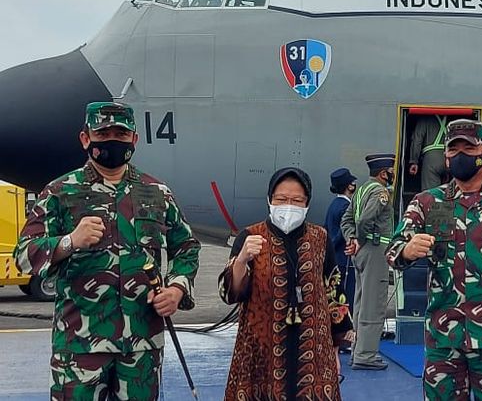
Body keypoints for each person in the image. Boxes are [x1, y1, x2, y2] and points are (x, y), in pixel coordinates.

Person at [14, 102, 201, 400]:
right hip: (80, 347)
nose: (112, 139)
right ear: (86, 139)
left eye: (121, 133)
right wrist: (70, 241)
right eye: (103, 133)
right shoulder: (60, 193)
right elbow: (24, 256)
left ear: (134, 140)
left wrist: (177, 289)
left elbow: (187, 247)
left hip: (141, 348)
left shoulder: (156, 192)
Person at [386, 119, 482, 401]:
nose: (460, 155)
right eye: (453, 149)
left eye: (469, 148)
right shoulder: (425, 203)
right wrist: (407, 250)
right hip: (444, 341)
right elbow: (394, 250)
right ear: (446, 157)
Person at [219, 167, 353, 400]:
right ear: (269, 200)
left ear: (307, 203)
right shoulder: (250, 236)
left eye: (296, 200)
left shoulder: (320, 238)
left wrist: (335, 350)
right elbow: (231, 293)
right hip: (260, 355)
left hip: (314, 353)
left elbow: (334, 292)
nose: (288, 205)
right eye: (281, 199)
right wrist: (242, 259)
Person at [341, 153, 395, 370]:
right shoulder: (381, 193)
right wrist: (361, 240)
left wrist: (351, 239)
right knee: (374, 303)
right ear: (384, 173)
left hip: (361, 253)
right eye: (390, 171)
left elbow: (346, 219)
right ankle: (366, 355)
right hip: (375, 251)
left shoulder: (361, 190)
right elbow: (365, 220)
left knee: (361, 302)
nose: (392, 175)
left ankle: (357, 351)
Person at [324, 167, 358, 350]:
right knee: (347, 298)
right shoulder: (345, 207)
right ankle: (345, 338)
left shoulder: (333, 205)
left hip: (335, 258)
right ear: (349, 186)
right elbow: (341, 234)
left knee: (337, 298)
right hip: (344, 260)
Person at [409, 115, 449, 190]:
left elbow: (417, 140)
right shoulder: (450, 118)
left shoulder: (425, 118)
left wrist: (414, 161)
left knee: (431, 194)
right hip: (449, 158)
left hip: (431, 159)